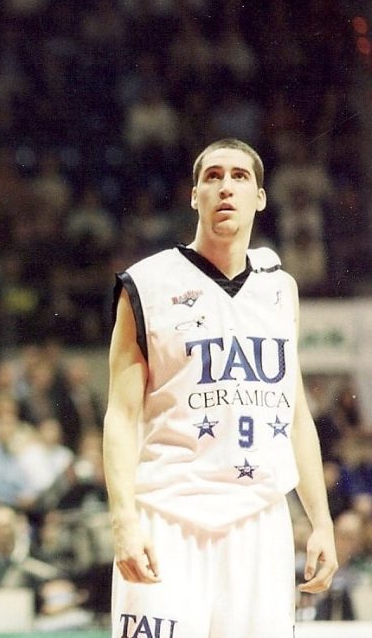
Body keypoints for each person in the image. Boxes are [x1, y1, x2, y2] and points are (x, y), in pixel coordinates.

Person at [102, 138, 338, 638]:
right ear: (194, 197)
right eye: (212, 177)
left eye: (238, 176)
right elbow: (120, 417)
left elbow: (294, 414)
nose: (225, 187)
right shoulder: (146, 284)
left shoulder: (281, 290)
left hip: (260, 521)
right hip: (167, 516)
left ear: (260, 197)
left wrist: (321, 521)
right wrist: (124, 521)